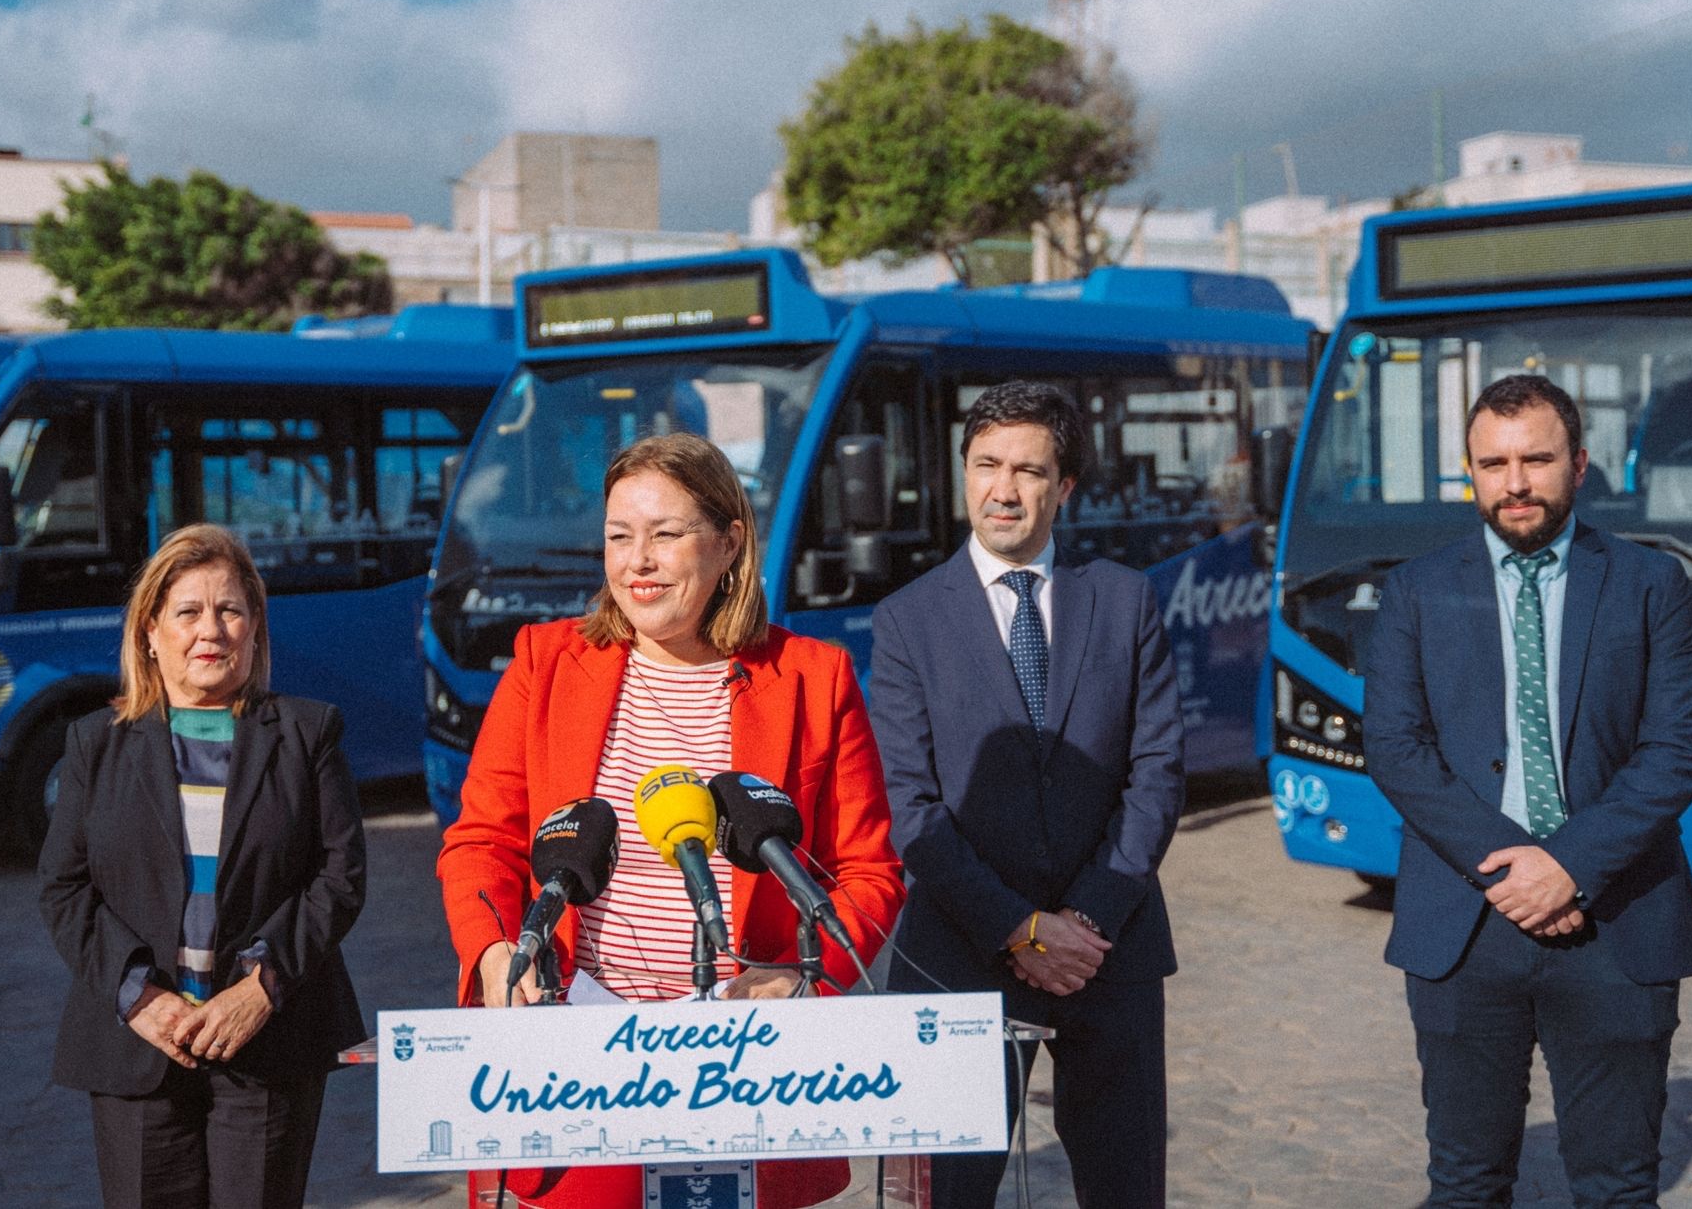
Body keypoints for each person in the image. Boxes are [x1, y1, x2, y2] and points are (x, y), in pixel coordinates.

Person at [438, 432, 904, 1209]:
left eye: (664, 534)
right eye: (620, 537)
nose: (637, 562)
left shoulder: (813, 680)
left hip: (748, 1062)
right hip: (580, 1043)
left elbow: (867, 872)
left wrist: (802, 978)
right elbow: (480, 839)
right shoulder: (546, 663)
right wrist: (490, 951)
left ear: (728, 544)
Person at [1364, 374, 1692, 1205]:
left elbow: (1677, 749)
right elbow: (1395, 748)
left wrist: (1569, 865)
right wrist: (1512, 868)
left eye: (1536, 459)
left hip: (1618, 922)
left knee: (1619, 1185)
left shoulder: (1650, 585)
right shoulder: (1415, 590)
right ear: (1471, 473)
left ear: (1580, 464)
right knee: (1465, 1182)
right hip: (1465, 925)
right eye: (1493, 462)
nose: (1515, 482)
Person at [868, 380, 1185, 1209]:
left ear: (1065, 488)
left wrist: (1084, 921)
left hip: (1108, 958)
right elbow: (913, 807)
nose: (1004, 489)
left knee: (1125, 1191)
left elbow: (1155, 774)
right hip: (960, 958)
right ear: (964, 473)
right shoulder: (906, 620)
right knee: (947, 1198)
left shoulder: (1124, 600)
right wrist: (1018, 927)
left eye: (1029, 471)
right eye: (987, 465)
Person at [40, 524, 368, 1209]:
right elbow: (66, 889)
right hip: (139, 1045)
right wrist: (141, 997)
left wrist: (260, 989)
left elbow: (339, 879)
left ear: (255, 628)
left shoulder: (309, 732)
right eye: (188, 611)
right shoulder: (95, 745)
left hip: (269, 1039)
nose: (210, 629)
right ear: (150, 633)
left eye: (231, 610)